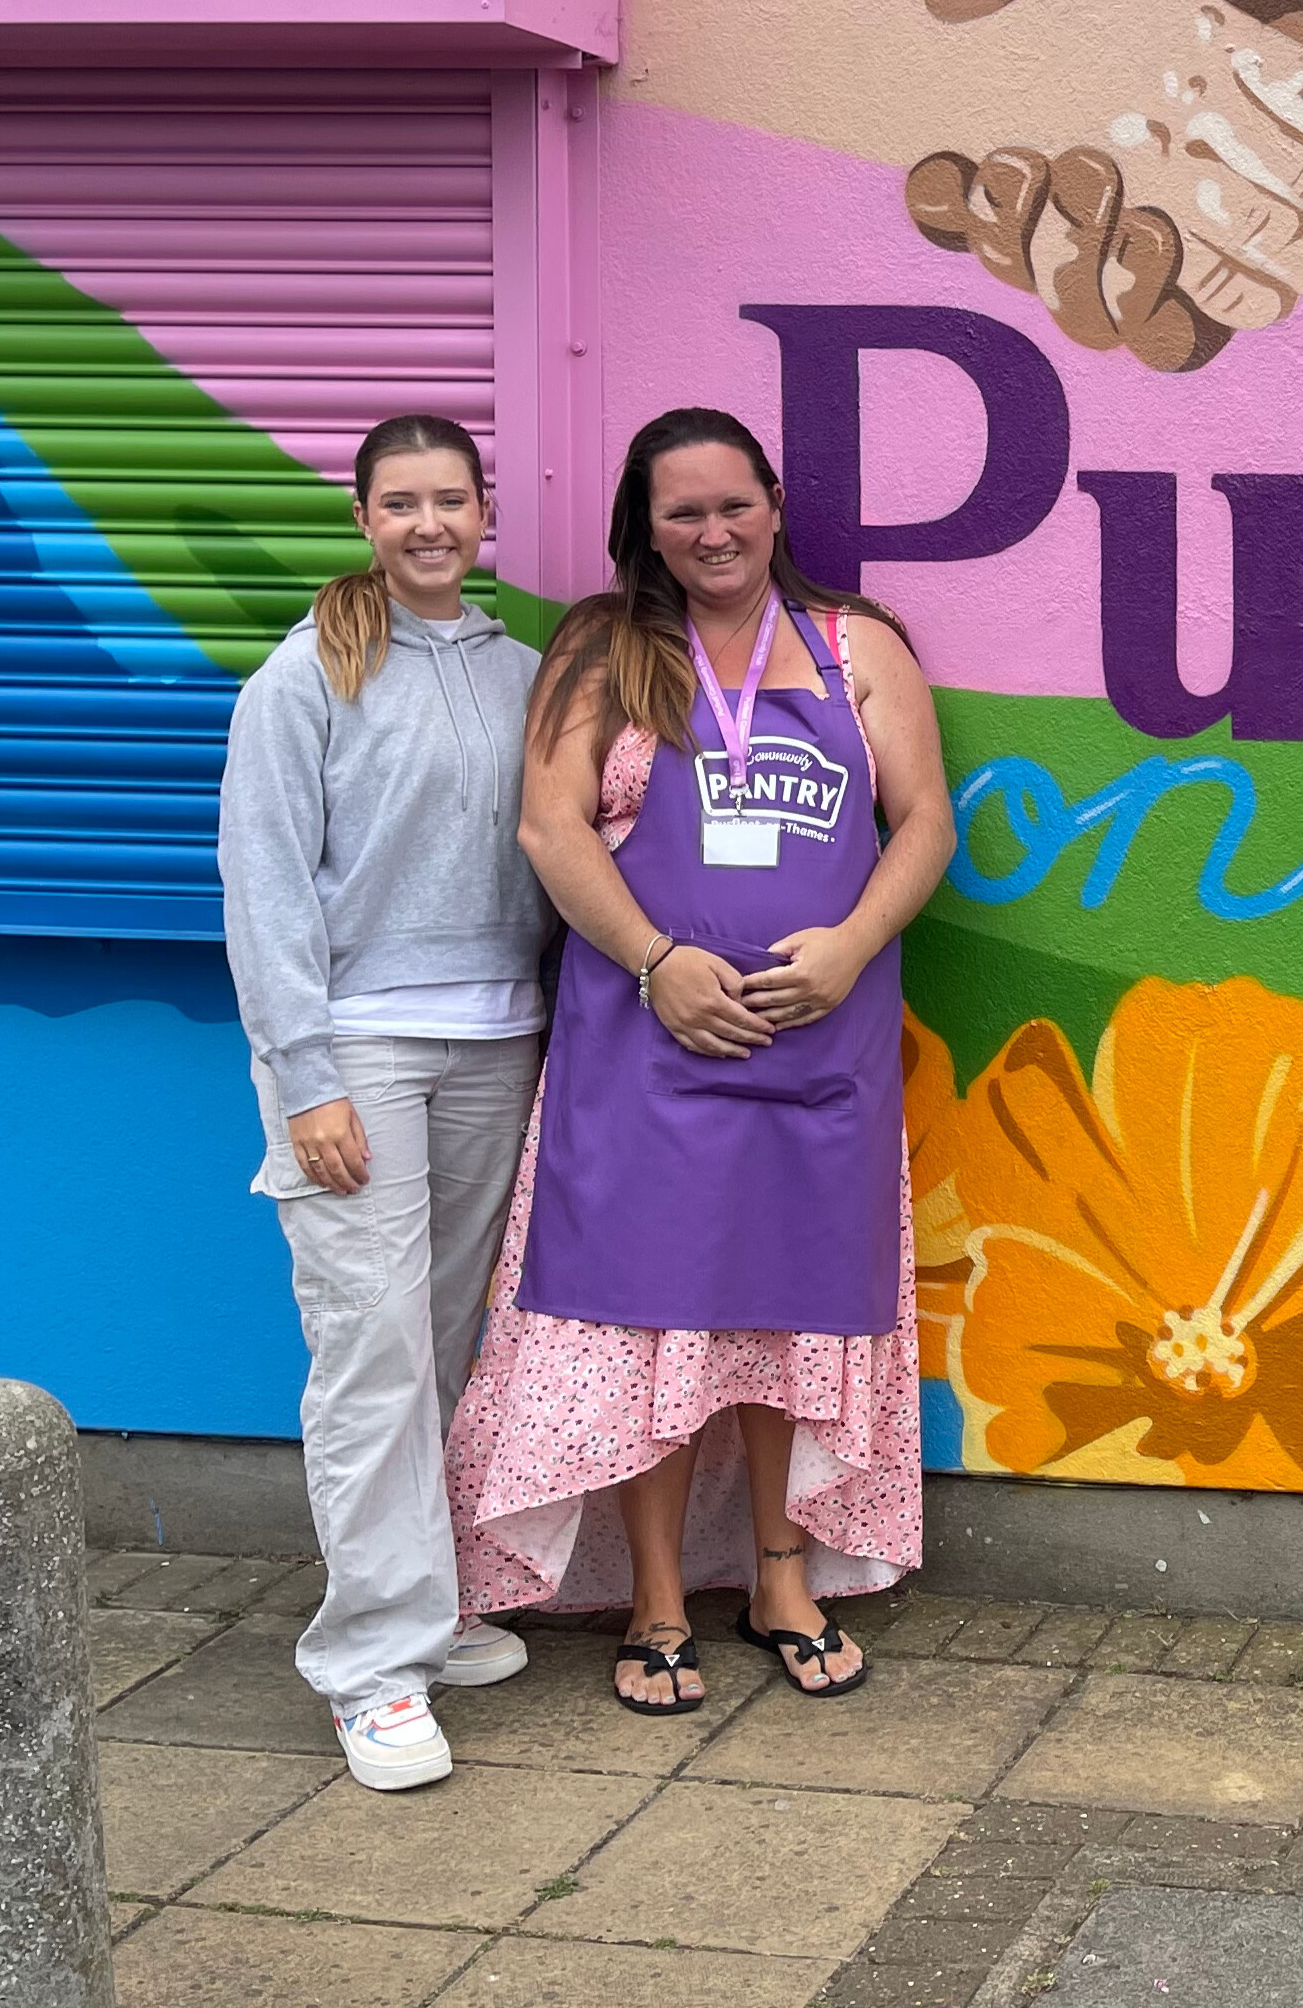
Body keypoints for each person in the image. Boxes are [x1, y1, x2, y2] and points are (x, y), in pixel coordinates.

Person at [442, 408, 953, 1713]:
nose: (712, 531)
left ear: (775, 504)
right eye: (683, 512)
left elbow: (924, 821)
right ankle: (658, 1596)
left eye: (734, 504)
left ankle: (784, 1574)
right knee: (651, 1321)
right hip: (645, 1052)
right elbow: (550, 827)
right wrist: (656, 960)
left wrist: (847, 945)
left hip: (818, 1050)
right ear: (645, 526)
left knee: (789, 1315)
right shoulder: (605, 649)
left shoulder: (858, 647)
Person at [219, 415, 553, 1791]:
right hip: (357, 1054)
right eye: (399, 502)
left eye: (450, 500)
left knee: (442, 1335)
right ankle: (370, 1662)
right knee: (367, 1349)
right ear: (365, 518)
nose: (427, 522)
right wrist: (305, 1079)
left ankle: (430, 1601)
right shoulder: (304, 676)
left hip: (500, 1041)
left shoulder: (530, 672)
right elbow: (265, 886)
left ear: (486, 517)